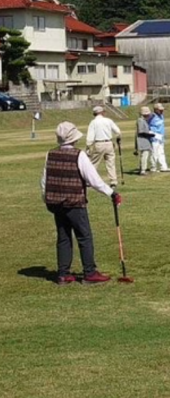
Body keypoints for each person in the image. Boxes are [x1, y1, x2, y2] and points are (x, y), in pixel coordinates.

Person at [41, 121, 120, 285]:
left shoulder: (50, 154)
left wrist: (47, 200)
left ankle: (63, 274)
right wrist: (111, 193)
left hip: (55, 204)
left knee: (63, 237)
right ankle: (89, 273)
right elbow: (94, 180)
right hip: (74, 203)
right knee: (84, 236)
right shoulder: (79, 155)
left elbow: (44, 181)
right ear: (73, 138)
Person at [86, 105, 122, 186]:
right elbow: (118, 131)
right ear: (102, 112)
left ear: (94, 114)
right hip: (109, 143)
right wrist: (118, 138)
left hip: (99, 144)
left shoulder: (93, 122)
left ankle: (89, 181)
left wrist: (88, 146)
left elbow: (90, 136)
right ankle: (113, 181)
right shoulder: (108, 121)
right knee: (110, 163)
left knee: (94, 163)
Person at [149, 103, 170, 172]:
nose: (162, 111)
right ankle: (153, 167)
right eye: (160, 110)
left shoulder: (161, 116)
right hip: (154, 136)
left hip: (161, 137)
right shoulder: (152, 116)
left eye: (162, 110)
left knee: (161, 152)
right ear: (156, 110)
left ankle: (163, 167)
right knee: (154, 153)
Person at [134, 106, 157, 175]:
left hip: (145, 139)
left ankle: (143, 168)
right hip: (142, 140)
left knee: (146, 154)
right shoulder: (140, 120)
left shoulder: (143, 120)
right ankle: (143, 170)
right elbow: (141, 132)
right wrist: (150, 135)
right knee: (144, 155)